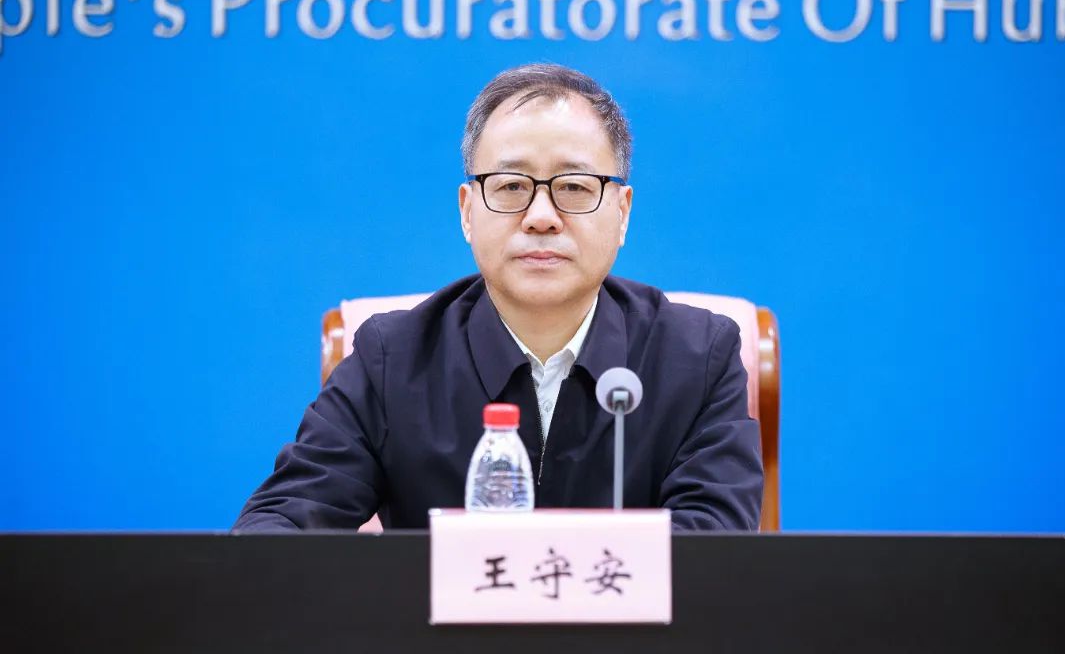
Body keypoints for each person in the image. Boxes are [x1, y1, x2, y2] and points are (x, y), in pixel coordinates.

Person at [234, 63, 763, 531]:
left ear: (622, 213)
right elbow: (282, 522)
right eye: (511, 186)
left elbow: (712, 553)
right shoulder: (392, 358)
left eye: (574, 187)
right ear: (467, 211)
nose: (541, 217)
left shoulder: (698, 357)